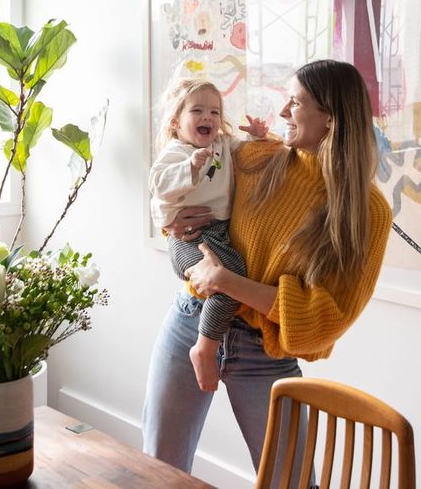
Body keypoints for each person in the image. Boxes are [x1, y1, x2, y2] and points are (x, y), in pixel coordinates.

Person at [142, 60, 392, 484]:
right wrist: (172, 229)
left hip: (264, 352)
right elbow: (185, 197)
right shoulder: (261, 158)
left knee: (290, 482)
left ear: (330, 116)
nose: (281, 113)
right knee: (158, 472)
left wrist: (229, 283)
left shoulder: (366, 212)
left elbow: (324, 321)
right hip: (190, 321)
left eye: (295, 102)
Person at [149, 78, 268, 392]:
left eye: (215, 112)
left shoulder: (220, 145)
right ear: (176, 123)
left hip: (217, 233)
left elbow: (245, 155)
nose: (208, 118)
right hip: (190, 239)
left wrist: (257, 138)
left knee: (233, 278)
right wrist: (189, 166)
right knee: (229, 281)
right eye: (198, 111)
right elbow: (159, 185)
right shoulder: (176, 152)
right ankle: (204, 348)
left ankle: (206, 345)